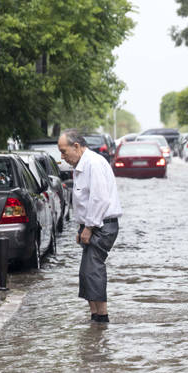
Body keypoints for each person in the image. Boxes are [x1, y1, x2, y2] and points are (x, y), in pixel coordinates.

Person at [58, 129, 123, 322]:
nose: (62, 157)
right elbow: (85, 200)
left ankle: (102, 318)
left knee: (93, 269)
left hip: (102, 225)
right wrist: (82, 226)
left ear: (76, 146)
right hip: (92, 224)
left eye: (63, 151)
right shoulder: (82, 164)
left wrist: (88, 228)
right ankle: (95, 317)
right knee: (86, 272)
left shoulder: (93, 163)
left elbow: (99, 199)